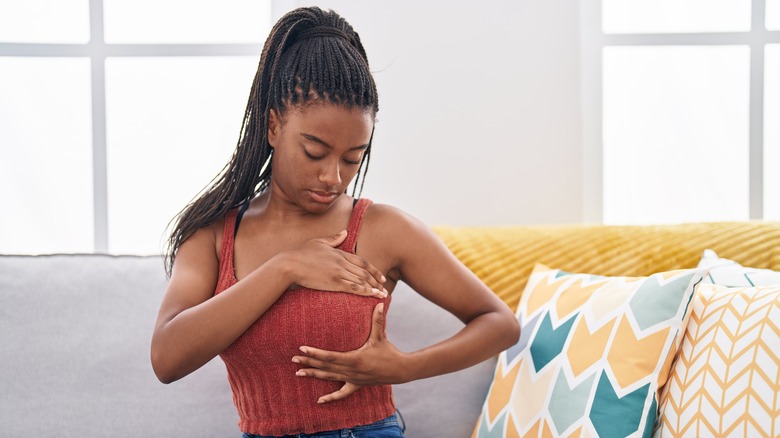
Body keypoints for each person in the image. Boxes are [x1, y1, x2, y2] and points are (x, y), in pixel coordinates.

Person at [150, 6, 520, 438]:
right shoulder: (214, 236)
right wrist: (287, 267)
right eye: (314, 152)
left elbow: (499, 323)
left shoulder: (382, 229)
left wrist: (404, 367)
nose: (334, 177)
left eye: (352, 158)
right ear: (273, 126)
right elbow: (167, 358)